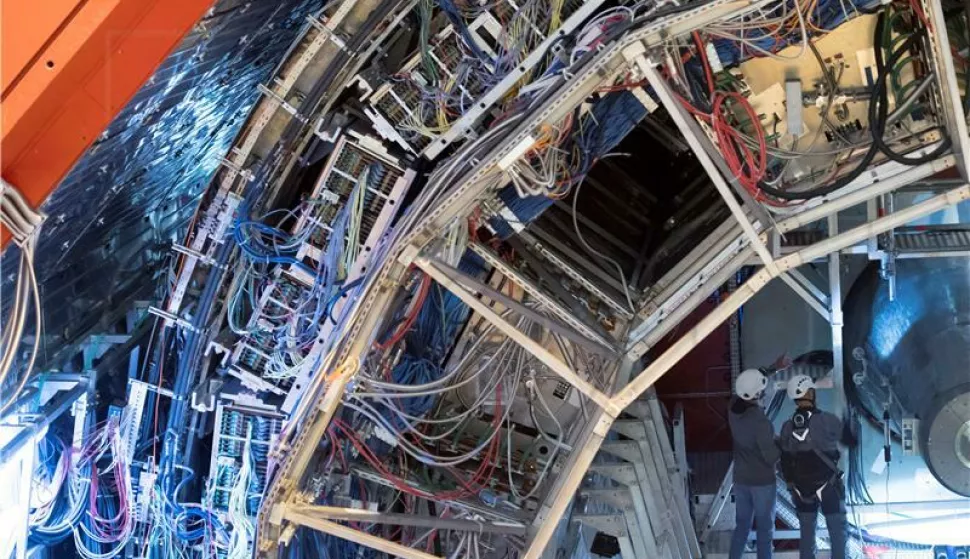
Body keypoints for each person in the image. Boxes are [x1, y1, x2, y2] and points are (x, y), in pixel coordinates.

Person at [778, 375, 855, 559]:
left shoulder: (787, 426)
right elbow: (851, 441)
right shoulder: (828, 420)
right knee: (837, 532)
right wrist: (849, 421)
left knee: (807, 534)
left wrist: (791, 484)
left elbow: (785, 458)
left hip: (801, 489)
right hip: (828, 486)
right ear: (811, 393)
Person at [728, 368, 780, 559]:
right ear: (758, 394)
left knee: (742, 526)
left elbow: (748, 382)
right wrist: (783, 443)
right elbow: (771, 456)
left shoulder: (732, 407)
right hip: (762, 482)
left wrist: (775, 367)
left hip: (741, 479)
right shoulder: (760, 421)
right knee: (765, 530)